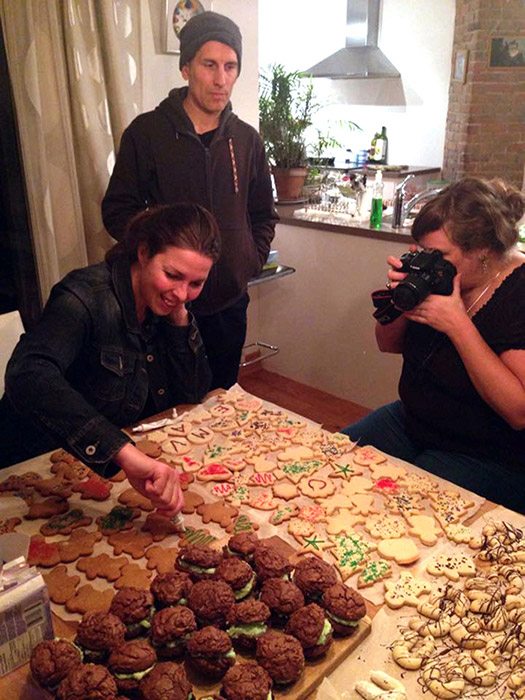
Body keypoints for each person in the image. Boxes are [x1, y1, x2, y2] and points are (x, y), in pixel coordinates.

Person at [0, 203, 221, 515]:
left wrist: (180, 320)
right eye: (172, 275)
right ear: (143, 253)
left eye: (196, 283)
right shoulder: (83, 298)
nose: (182, 293)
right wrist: (122, 452)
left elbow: (192, 394)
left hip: (105, 467)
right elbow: (28, 374)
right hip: (30, 464)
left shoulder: (168, 304)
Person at [101, 11, 278, 391]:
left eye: (230, 67)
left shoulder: (247, 140)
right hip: (165, 304)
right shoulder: (146, 134)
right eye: (209, 64)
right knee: (171, 411)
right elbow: (117, 211)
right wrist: (159, 254)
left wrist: (249, 259)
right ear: (186, 68)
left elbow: (263, 213)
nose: (221, 79)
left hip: (228, 306)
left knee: (221, 403)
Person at [342, 177, 525, 513]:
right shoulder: (440, 276)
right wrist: (402, 298)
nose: (429, 262)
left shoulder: (517, 293)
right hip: (412, 420)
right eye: (423, 251)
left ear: (482, 252)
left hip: (485, 452)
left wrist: (458, 325)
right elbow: (387, 344)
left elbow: (519, 412)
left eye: (439, 255)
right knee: (332, 463)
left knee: (402, 512)